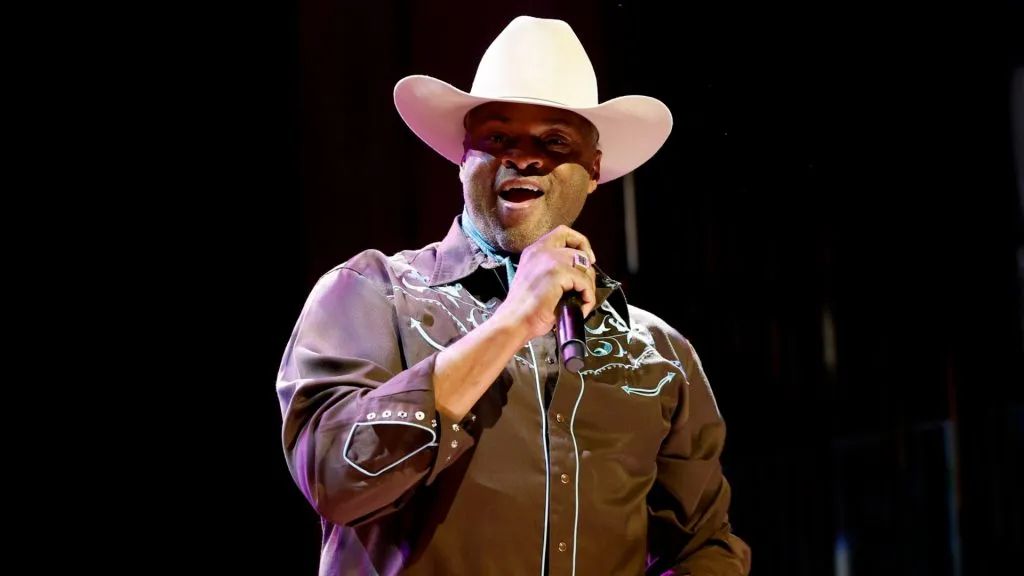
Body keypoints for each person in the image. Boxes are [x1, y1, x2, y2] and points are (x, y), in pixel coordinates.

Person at [276, 15, 751, 576]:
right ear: (463, 158)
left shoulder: (661, 355)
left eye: (554, 142)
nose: (523, 158)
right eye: (497, 138)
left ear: (594, 170)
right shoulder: (372, 294)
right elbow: (335, 479)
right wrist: (510, 322)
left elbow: (704, 547)